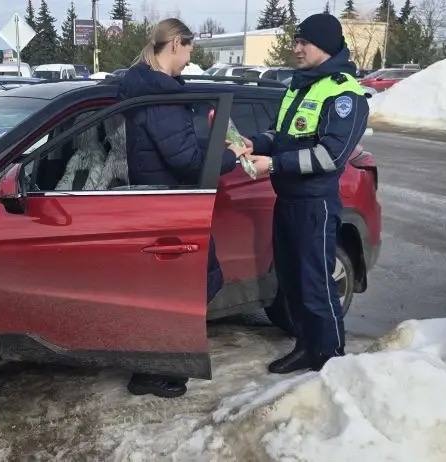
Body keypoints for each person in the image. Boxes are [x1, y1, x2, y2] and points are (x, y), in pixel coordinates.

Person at [118, 18, 248, 398]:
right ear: (175, 43)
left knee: (171, 290)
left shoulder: (141, 85)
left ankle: (152, 366)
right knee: (191, 287)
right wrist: (231, 155)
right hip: (170, 203)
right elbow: (188, 161)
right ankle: (151, 371)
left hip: (152, 200)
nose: (191, 57)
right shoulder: (162, 96)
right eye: (190, 48)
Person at [243, 14, 369, 374]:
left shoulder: (345, 93)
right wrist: (256, 142)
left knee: (315, 283)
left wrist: (274, 165)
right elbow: (280, 133)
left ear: (325, 46)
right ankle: (306, 346)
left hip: (315, 205)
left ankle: (330, 357)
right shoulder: (300, 85)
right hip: (289, 202)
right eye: (296, 41)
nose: (295, 48)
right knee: (292, 280)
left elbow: (330, 155)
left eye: (304, 42)